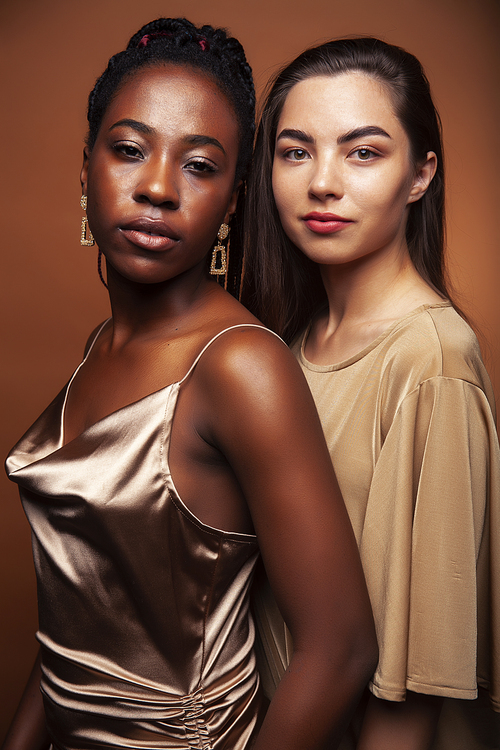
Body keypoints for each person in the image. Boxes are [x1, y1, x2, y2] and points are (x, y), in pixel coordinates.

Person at [3, 20, 377, 750]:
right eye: (129, 150)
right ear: (86, 171)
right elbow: (79, 627)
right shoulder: (100, 346)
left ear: (235, 201)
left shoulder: (241, 366)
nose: (155, 187)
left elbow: (341, 651)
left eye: (199, 166)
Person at [244, 37, 500, 750]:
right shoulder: (283, 351)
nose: (322, 182)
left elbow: (417, 688)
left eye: (363, 152)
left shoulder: (433, 358)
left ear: (420, 175)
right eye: (295, 152)